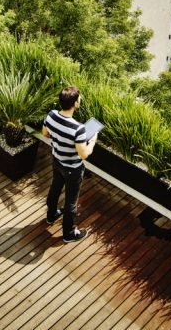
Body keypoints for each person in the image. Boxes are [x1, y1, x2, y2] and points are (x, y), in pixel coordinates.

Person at [42, 86, 96, 243]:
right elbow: (84, 154)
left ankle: (51, 215)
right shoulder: (78, 129)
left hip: (57, 161)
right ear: (76, 103)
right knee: (71, 201)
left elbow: (45, 133)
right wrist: (92, 140)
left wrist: (59, 138)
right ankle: (69, 234)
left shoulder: (51, 115)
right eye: (79, 99)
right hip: (73, 169)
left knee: (55, 188)